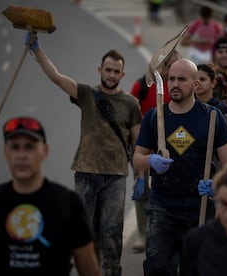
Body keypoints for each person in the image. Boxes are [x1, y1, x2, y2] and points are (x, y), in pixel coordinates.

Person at [24, 33, 142, 276]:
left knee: (111, 232)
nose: (111, 75)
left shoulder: (131, 104)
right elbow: (57, 78)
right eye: (107, 70)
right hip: (85, 174)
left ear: (122, 74)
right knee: (83, 233)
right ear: (100, 70)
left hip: (115, 178)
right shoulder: (87, 94)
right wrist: (36, 50)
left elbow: (137, 145)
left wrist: (140, 178)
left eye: (116, 71)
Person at [133, 59, 227, 275]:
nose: (175, 84)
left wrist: (217, 185)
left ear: (196, 84)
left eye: (182, 79)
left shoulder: (212, 117)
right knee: (157, 267)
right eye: (171, 79)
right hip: (162, 207)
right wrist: (150, 161)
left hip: (199, 208)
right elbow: (137, 158)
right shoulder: (154, 117)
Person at [0, 117, 100, 276]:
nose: (21, 155)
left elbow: (89, 270)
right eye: (15, 147)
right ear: (5, 152)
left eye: (29, 147)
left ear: (45, 151)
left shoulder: (68, 203)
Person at [129, 50, 181, 253]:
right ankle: (142, 233)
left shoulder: (177, 87)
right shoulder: (142, 85)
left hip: (170, 146)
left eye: (175, 64)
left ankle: (165, 230)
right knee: (141, 191)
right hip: (142, 144)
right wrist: (141, 171)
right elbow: (131, 115)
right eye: (168, 64)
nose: (171, 69)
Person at [195, 63, 227, 157]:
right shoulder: (188, 108)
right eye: (195, 80)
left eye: (202, 79)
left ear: (213, 83)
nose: (198, 83)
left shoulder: (224, 110)